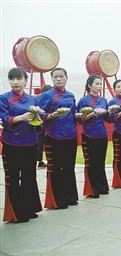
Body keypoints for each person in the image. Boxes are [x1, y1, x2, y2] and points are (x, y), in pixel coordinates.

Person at [0, 67, 42, 223]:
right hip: (12, 143)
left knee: (29, 176)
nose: (15, 82)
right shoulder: (4, 98)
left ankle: (29, 208)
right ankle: (17, 213)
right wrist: (21, 117)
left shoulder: (33, 99)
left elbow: (38, 121)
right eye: (12, 79)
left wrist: (37, 119)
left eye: (19, 79)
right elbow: (4, 119)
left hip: (30, 142)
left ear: (25, 80)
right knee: (13, 178)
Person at [39, 67, 79, 209]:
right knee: (56, 169)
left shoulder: (71, 95)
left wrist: (83, 115)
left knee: (69, 167)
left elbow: (74, 114)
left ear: (66, 78)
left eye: (61, 76)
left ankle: (70, 196)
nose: (59, 79)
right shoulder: (47, 95)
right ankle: (58, 200)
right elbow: (39, 114)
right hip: (54, 136)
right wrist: (51, 116)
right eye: (55, 77)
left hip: (70, 135)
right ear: (52, 79)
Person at [76, 75, 110, 199]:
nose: (99, 86)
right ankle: (92, 189)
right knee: (91, 163)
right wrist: (92, 114)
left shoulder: (103, 100)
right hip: (89, 134)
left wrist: (115, 112)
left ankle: (102, 187)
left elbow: (107, 118)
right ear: (89, 85)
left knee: (100, 162)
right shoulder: (83, 101)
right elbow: (80, 119)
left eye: (100, 84)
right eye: (96, 84)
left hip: (102, 134)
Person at [36, 84, 52, 170]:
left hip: (38, 123)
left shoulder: (36, 98)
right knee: (47, 143)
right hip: (46, 123)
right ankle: (49, 161)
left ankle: (39, 161)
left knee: (39, 142)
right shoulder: (48, 98)